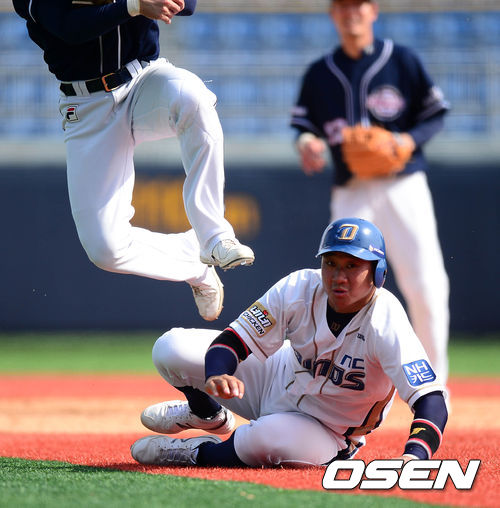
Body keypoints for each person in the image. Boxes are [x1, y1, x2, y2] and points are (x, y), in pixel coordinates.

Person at [130, 218, 448, 468]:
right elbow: (233, 340)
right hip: (276, 376)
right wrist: (218, 374)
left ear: (377, 272)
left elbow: (430, 398)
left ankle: (196, 453)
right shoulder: (300, 287)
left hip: (327, 428)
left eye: (352, 265)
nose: (339, 276)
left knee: (263, 441)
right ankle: (207, 414)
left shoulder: (386, 319)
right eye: (331, 263)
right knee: (171, 348)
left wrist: (416, 455)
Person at [12, 0, 255, 322]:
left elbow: (189, 5)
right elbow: (69, 28)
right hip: (86, 107)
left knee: (193, 98)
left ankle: (214, 236)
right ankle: (192, 263)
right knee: (106, 249)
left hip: (144, 80)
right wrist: (133, 5)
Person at [290, 0, 450, 384]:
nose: (351, 12)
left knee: (426, 283)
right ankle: (338, 383)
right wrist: (307, 144)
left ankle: (434, 386)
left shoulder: (402, 60)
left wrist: (408, 140)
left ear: (373, 10)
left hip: (402, 184)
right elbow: (304, 127)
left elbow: (435, 113)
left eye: (358, 4)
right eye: (342, 5)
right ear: (333, 13)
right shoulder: (320, 72)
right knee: (338, 287)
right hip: (352, 190)